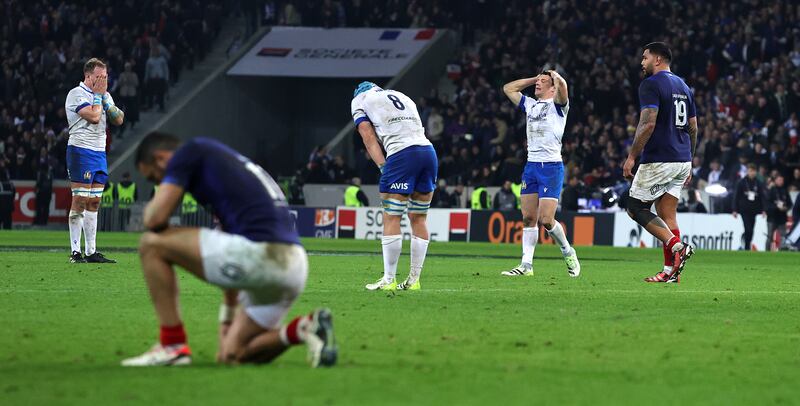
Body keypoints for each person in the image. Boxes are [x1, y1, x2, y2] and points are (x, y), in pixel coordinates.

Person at [122, 132, 336, 367]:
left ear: (161, 159)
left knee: (151, 244)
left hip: (262, 254)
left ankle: (172, 345)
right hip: (293, 266)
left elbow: (155, 219)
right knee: (232, 354)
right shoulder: (225, 168)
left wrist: (153, 210)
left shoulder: (189, 152)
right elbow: (228, 241)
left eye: (155, 178)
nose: (159, 184)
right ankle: (306, 328)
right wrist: (227, 318)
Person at [351, 81, 437, 291]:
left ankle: (389, 279)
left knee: (392, 217)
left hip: (402, 154)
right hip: (428, 152)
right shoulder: (401, 95)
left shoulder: (359, 100)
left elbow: (368, 136)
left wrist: (383, 166)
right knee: (418, 217)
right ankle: (414, 280)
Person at [623, 42, 695, 283]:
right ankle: (669, 271)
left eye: (645, 57)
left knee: (635, 207)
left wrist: (632, 156)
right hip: (682, 159)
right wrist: (691, 159)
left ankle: (677, 246)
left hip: (660, 159)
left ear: (658, 59)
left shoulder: (651, 84)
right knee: (667, 214)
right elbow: (693, 126)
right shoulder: (684, 86)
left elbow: (648, 123)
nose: (641, 62)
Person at [500, 70, 580, 277]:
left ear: (553, 88)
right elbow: (508, 88)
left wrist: (557, 76)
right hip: (531, 166)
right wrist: (533, 79)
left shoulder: (558, 106)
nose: (538, 84)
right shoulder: (530, 104)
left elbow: (564, 88)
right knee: (528, 218)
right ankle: (526, 265)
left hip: (551, 167)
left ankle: (568, 251)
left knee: (546, 219)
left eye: (544, 82)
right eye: (539, 81)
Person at [64, 58, 124, 263]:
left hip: (99, 153)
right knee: (80, 199)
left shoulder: (104, 95)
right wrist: (99, 97)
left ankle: (91, 251)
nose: (104, 81)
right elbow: (94, 117)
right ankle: (75, 252)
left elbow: (119, 119)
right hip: (80, 150)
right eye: (100, 77)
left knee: (94, 201)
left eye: (106, 77)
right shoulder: (76, 94)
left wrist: (106, 101)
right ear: (88, 76)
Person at [732, 164, 767, 250]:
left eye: (754, 171)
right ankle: (747, 246)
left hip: (754, 210)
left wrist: (764, 210)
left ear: (756, 172)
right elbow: (736, 196)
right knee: (748, 229)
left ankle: (747, 242)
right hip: (744, 209)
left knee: (751, 229)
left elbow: (762, 197)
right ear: (747, 171)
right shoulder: (741, 182)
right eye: (750, 171)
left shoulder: (758, 183)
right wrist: (734, 209)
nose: (752, 173)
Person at [766, 175, 792, 251]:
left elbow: (790, 203)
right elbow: (768, 204)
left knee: (783, 236)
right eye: (779, 180)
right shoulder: (771, 191)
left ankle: (781, 251)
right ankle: (766, 251)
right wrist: (776, 207)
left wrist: (786, 208)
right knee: (770, 236)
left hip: (782, 218)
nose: (781, 181)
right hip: (772, 217)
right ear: (775, 181)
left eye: (782, 180)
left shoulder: (785, 191)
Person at [34, 161, 54, 225]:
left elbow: (39, 182)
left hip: (41, 192)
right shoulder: (50, 174)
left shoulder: (41, 173)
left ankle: (38, 221)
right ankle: (44, 221)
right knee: (46, 207)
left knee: (39, 207)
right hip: (48, 193)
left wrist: (36, 188)